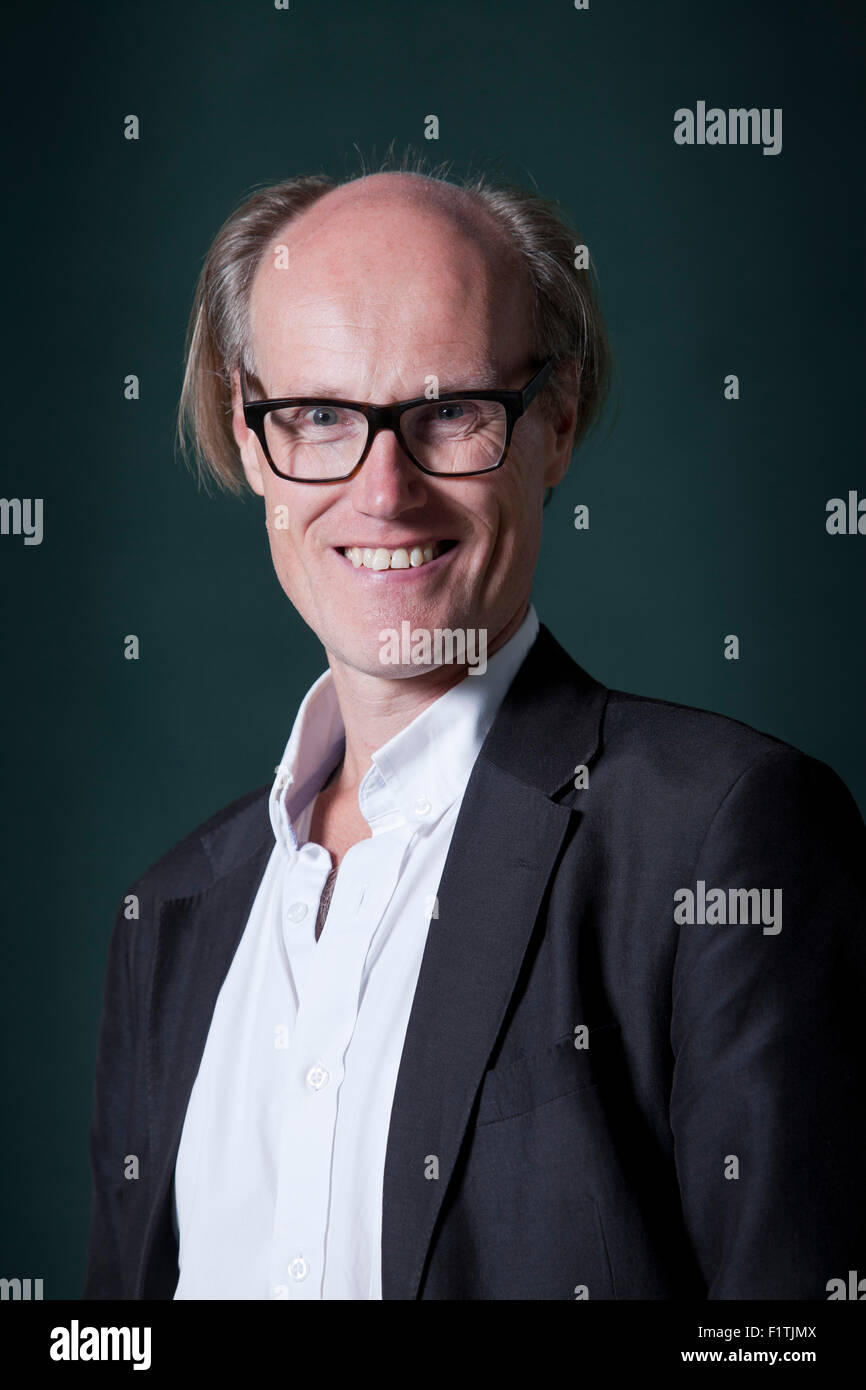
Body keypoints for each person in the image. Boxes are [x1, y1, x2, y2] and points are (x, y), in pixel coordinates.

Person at [84, 165, 866, 1300]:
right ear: (250, 439)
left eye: (450, 412)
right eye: (316, 416)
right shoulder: (165, 918)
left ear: (553, 421)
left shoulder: (721, 839)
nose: (382, 492)